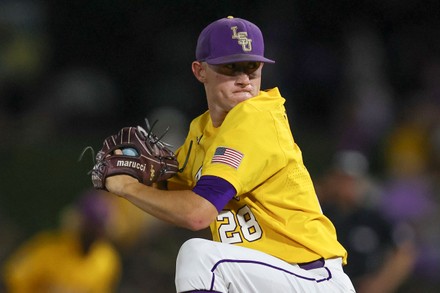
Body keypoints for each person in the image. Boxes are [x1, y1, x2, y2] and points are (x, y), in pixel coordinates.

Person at [104, 16, 355, 292]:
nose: (244, 79)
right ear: (200, 71)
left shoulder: (254, 116)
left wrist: (127, 187)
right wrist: (136, 175)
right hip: (270, 277)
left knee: (202, 258)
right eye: (231, 68)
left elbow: (197, 215)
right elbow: (172, 194)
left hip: (310, 277)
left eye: (252, 68)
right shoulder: (201, 131)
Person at [2, 190, 122, 293]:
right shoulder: (49, 248)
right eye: (90, 226)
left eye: (99, 228)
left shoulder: (107, 260)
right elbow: (12, 279)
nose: (94, 233)